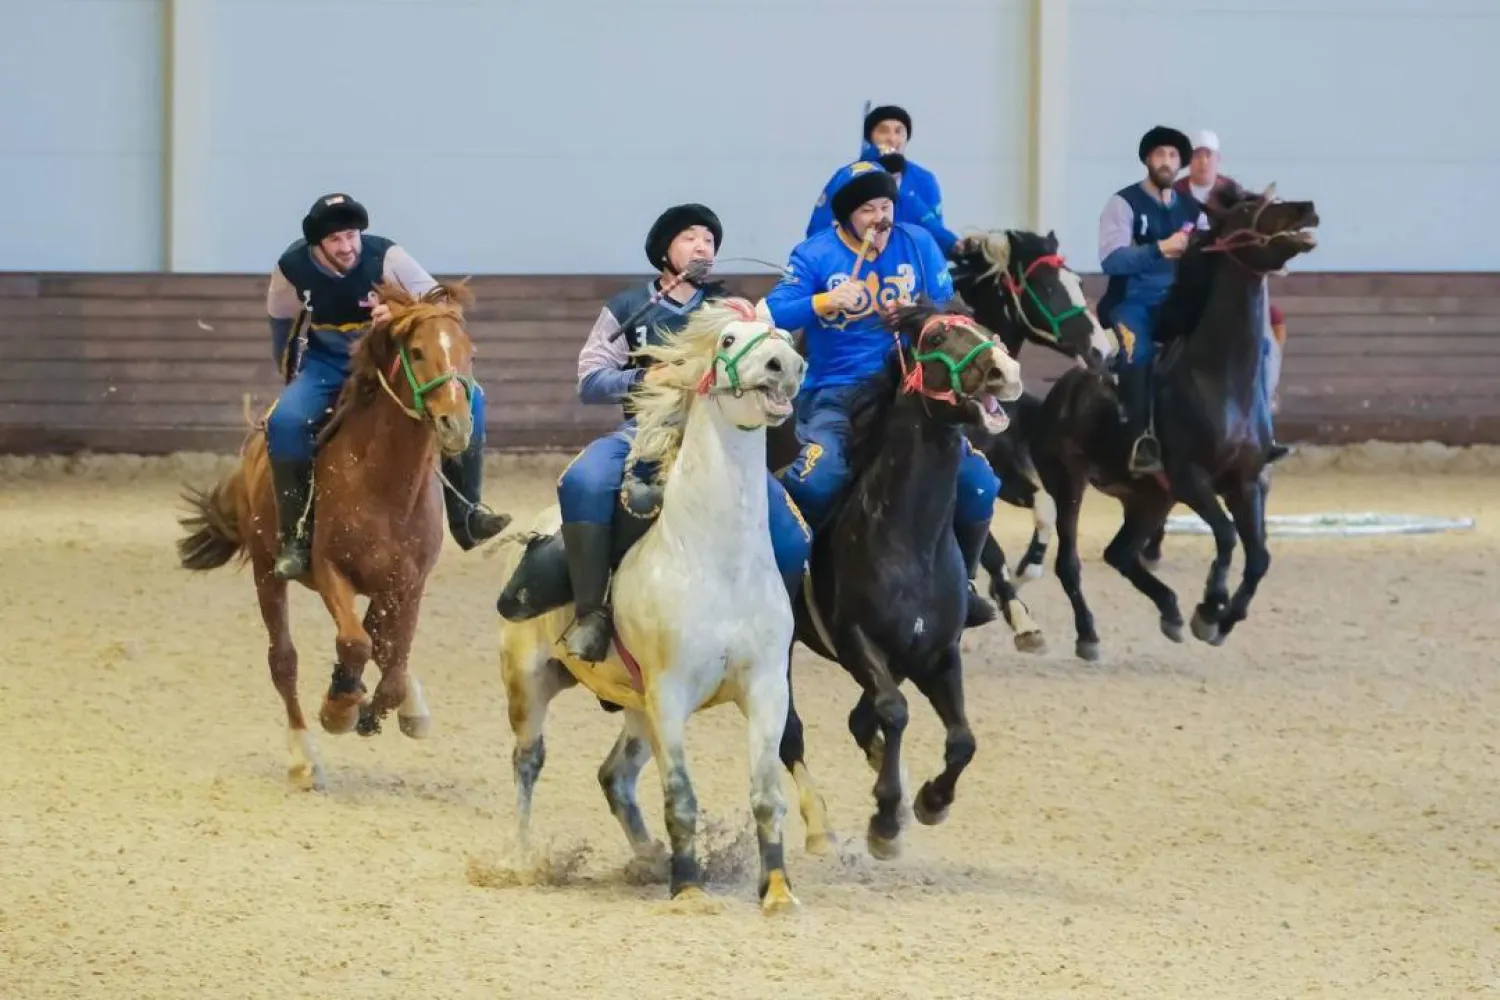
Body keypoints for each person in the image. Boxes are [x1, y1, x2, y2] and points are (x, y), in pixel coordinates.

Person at [555, 203, 814, 662]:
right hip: (646, 428)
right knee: (583, 481)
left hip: (722, 436)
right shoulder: (628, 307)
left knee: (791, 530)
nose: (702, 246)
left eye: (709, 241)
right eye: (690, 237)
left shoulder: (730, 310)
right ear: (664, 251)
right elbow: (589, 381)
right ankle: (591, 613)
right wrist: (642, 380)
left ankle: (782, 621)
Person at [766, 160, 999, 627]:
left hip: (909, 388)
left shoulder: (919, 243)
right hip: (835, 392)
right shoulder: (814, 255)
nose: (880, 217)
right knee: (814, 482)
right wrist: (824, 302)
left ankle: (964, 585)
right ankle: (789, 589)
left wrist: (918, 311)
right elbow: (773, 311)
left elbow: (952, 307)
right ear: (846, 218)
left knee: (979, 484)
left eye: (886, 204)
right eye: (869, 208)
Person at [263, 192, 508, 580]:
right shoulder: (291, 269)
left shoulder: (388, 257)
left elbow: (440, 306)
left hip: (384, 362)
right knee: (284, 424)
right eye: (335, 240)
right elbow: (281, 322)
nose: (347, 247)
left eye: (351, 235)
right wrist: (290, 374)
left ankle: (467, 512)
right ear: (318, 245)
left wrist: (398, 311)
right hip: (327, 364)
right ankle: (294, 537)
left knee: (472, 399)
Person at [1173, 129, 1290, 458]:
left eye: (1208, 155)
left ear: (1217, 160)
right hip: (1189, 281)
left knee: (1270, 332)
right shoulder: (1175, 196)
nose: (1202, 160)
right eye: (1197, 154)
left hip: (1227, 284)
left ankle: (1264, 409)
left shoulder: (1232, 194)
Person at [1095, 126, 1203, 475]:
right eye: (1159, 155)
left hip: (1176, 303)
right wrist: (1161, 248)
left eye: (1173, 156)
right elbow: (1113, 260)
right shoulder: (1123, 203)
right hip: (1131, 303)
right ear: (1147, 159)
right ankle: (1140, 439)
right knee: (1136, 352)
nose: (1166, 162)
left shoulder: (1193, 210)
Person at [805, 104, 959, 256]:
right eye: (883, 131)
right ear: (870, 137)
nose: (892, 138)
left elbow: (934, 234)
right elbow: (818, 229)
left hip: (907, 268)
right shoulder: (848, 177)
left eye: (899, 132)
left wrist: (956, 245)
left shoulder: (924, 180)